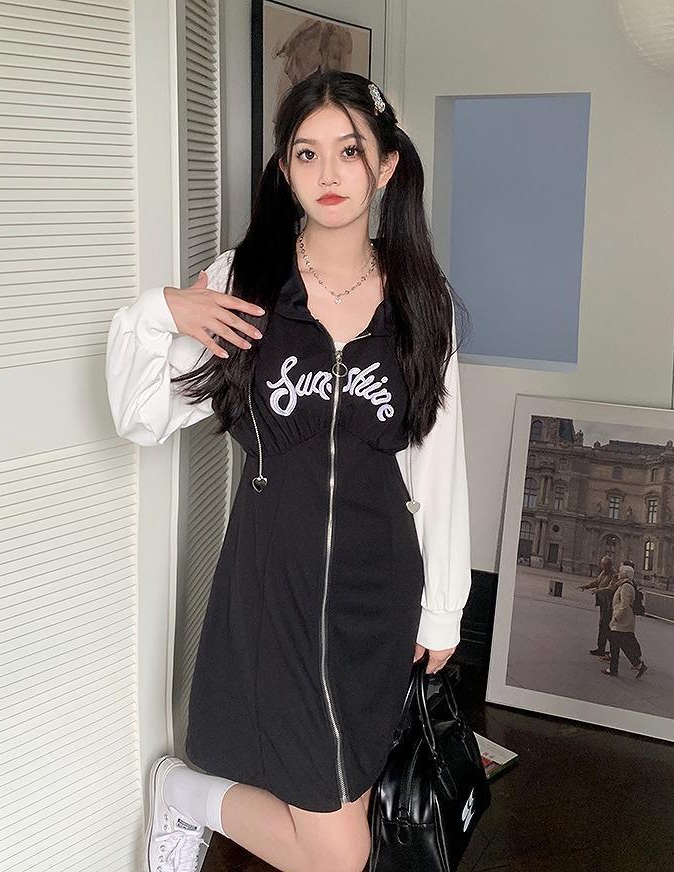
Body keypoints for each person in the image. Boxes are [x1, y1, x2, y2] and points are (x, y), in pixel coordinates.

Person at [105, 69, 472, 872]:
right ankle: (182, 794)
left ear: (386, 165)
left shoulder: (422, 298)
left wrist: (442, 606)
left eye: (350, 151)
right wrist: (160, 313)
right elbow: (142, 416)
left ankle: (187, 794)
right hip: (276, 587)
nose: (328, 172)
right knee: (339, 852)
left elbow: (439, 458)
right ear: (284, 167)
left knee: (350, 793)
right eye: (307, 153)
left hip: (380, 592)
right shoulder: (244, 282)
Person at [602, 564, 648, 678]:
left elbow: (625, 604)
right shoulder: (625, 584)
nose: (619, 573)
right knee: (619, 643)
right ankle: (634, 664)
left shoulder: (626, 586)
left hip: (622, 620)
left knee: (617, 643)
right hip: (624, 620)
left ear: (626, 574)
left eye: (621, 572)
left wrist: (617, 617)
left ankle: (629, 666)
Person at [579, 554, 616, 660]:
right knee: (603, 626)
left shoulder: (614, 575)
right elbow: (597, 582)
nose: (602, 567)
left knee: (606, 626)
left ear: (608, 565)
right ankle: (601, 648)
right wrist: (587, 586)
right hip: (603, 603)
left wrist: (598, 590)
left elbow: (611, 588)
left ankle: (610, 649)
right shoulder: (604, 572)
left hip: (609, 605)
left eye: (603, 565)